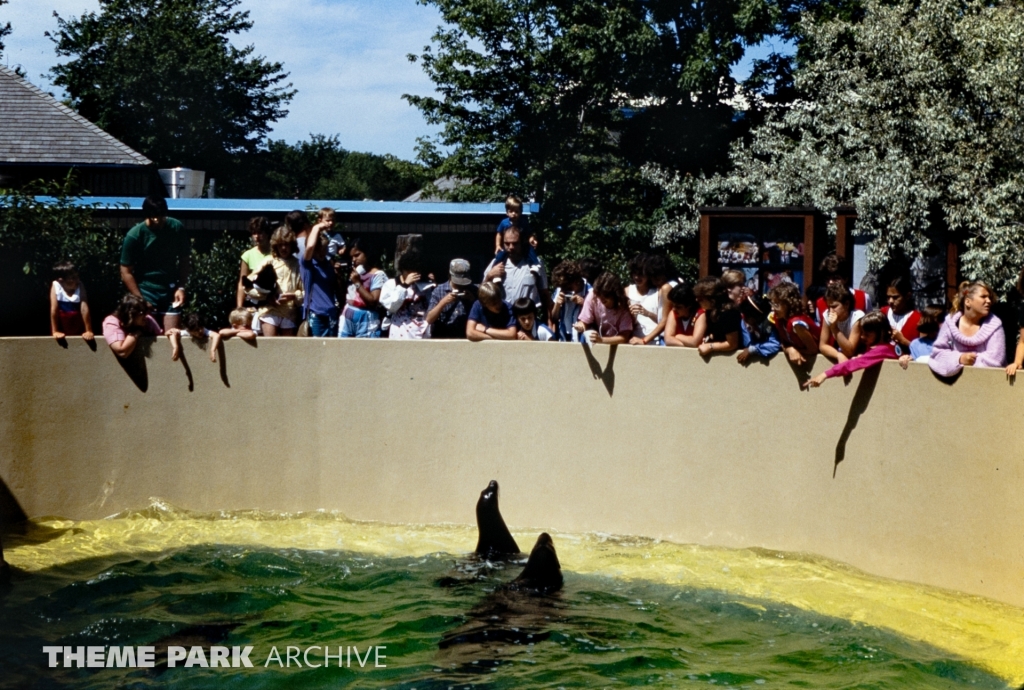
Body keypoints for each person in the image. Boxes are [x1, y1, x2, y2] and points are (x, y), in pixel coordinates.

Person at [119, 195, 190, 331]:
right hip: (145, 290)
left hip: (170, 289)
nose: (158, 220)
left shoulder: (176, 227)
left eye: (161, 216)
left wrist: (181, 287)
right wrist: (140, 299)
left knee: (173, 335)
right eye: (154, 217)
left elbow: (185, 261)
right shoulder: (134, 235)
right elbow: (125, 271)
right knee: (147, 338)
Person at [803, 311, 899, 388]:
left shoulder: (882, 349)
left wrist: (824, 375)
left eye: (867, 334)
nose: (862, 337)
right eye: (862, 333)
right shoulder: (890, 343)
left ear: (881, 333)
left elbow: (854, 364)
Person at [929, 281, 1006, 377]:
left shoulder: (995, 326)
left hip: (988, 385)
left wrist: (970, 359)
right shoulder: (950, 324)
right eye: (983, 297)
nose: (989, 301)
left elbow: (995, 360)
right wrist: (959, 358)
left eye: (989, 297)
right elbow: (937, 355)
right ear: (968, 302)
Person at [483, 226, 551, 314]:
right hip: (502, 317)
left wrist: (549, 320)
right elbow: (483, 292)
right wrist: (489, 276)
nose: (510, 247)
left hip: (527, 318)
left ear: (522, 242)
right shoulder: (495, 263)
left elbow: (544, 293)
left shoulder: (536, 264)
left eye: (515, 243)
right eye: (507, 243)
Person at [257, 227, 304, 336]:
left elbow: (305, 291)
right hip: (269, 311)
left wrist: (294, 296)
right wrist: (268, 298)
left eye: (286, 244)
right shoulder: (268, 261)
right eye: (280, 244)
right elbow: (249, 286)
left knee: (287, 349)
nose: (283, 248)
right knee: (270, 346)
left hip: (290, 312)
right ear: (275, 246)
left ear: (292, 245)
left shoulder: (298, 265)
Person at [380, 248, 435, 339]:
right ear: (403, 269)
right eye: (410, 271)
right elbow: (391, 307)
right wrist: (404, 285)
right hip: (399, 331)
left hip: (421, 330)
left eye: (416, 271)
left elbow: (431, 306)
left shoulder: (424, 285)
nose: (414, 274)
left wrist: (432, 285)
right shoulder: (391, 284)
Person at [339, 237, 386, 338]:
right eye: (352, 257)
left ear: (367, 253)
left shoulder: (377, 274)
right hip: (348, 314)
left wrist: (357, 283)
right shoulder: (355, 273)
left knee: (364, 350)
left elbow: (373, 300)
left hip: (366, 318)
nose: (354, 260)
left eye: (357, 255)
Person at [300, 216, 339, 337]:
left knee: (332, 350)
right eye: (318, 250)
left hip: (331, 313)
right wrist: (317, 227)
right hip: (315, 312)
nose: (322, 252)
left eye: (324, 249)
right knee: (315, 350)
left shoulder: (328, 265)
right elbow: (310, 246)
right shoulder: (308, 264)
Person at [573, 272, 635, 345]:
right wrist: (581, 326)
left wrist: (601, 340)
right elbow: (584, 321)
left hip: (619, 346)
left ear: (615, 294)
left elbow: (624, 336)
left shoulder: (623, 306)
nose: (601, 298)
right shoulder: (593, 296)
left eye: (606, 295)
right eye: (599, 294)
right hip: (597, 343)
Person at [769, 281, 820, 365]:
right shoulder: (779, 319)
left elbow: (813, 349)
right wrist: (789, 349)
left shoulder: (797, 324)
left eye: (776, 304)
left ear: (788, 304)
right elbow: (783, 344)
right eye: (772, 303)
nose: (772, 308)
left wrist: (795, 351)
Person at [426, 259, 478, 339]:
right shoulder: (439, 290)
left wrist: (473, 301)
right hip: (444, 336)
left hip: (465, 337)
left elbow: (484, 316)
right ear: (450, 276)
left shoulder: (474, 290)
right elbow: (429, 319)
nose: (460, 285)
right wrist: (443, 302)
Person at [814, 253, 872, 324]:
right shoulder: (820, 303)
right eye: (827, 279)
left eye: (835, 278)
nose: (831, 282)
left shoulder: (863, 297)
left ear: (845, 279)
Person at [102, 293, 162, 359]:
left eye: (146, 311)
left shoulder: (147, 319)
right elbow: (122, 352)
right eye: (142, 313)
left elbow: (161, 341)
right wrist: (136, 333)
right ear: (131, 314)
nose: (146, 315)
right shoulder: (112, 322)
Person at [693, 276, 741, 356]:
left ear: (712, 300)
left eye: (700, 298)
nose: (697, 300)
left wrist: (711, 346)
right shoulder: (710, 311)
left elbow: (732, 344)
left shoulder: (729, 313)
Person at [818, 283, 865, 363]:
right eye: (829, 307)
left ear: (846, 304)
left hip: (859, 356)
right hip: (841, 354)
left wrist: (834, 327)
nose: (831, 311)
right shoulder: (827, 314)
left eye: (834, 307)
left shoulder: (857, 317)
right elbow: (822, 346)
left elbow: (850, 351)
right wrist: (838, 355)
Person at [49, 261, 93, 341]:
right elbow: (54, 310)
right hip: (62, 326)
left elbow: (84, 309)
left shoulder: (80, 285)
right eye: (73, 278)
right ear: (61, 280)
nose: (77, 280)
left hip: (77, 326)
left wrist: (88, 330)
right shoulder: (56, 285)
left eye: (77, 276)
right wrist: (55, 331)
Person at [237, 217, 272, 310]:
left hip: (272, 302)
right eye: (254, 233)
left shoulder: (276, 253)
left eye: (260, 233)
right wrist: (239, 307)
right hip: (253, 301)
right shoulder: (247, 255)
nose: (257, 236)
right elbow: (242, 282)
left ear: (267, 233)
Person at [549, 260, 589, 342]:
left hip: (582, 337)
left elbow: (597, 318)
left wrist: (584, 303)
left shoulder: (590, 291)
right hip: (563, 335)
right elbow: (554, 318)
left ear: (577, 281)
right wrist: (557, 305)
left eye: (569, 288)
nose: (566, 290)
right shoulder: (561, 289)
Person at [626, 254, 660, 345]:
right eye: (634, 273)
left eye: (641, 274)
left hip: (655, 342)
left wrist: (647, 313)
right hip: (633, 341)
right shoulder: (627, 291)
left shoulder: (658, 292)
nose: (637, 277)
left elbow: (664, 321)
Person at [493, 195, 539, 264]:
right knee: (500, 254)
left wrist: (532, 239)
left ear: (521, 212)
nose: (514, 214)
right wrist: (498, 245)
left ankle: (534, 265)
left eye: (516, 211)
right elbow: (499, 234)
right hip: (508, 246)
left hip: (522, 245)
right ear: (507, 212)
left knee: (530, 250)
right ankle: (495, 265)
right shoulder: (504, 222)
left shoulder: (523, 223)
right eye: (511, 211)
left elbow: (529, 233)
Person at [736, 294, 781, 364]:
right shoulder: (746, 322)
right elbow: (748, 343)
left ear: (753, 318)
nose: (743, 318)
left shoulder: (769, 323)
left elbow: (775, 344)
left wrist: (752, 350)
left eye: (746, 317)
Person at [882, 276, 921, 350]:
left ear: (907, 296)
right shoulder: (882, 314)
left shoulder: (918, 319)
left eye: (895, 297)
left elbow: (924, 352)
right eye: (888, 297)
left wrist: (903, 340)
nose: (890, 301)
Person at [664, 282, 705, 347]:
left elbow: (695, 342)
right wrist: (688, 344)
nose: (674, 309)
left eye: (678, 307)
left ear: (689, 305)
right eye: (673, 305)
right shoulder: (673, 313)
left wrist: (677, 336)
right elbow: (668, 340)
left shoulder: (700, 314)